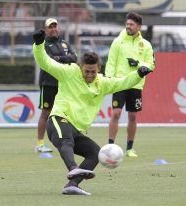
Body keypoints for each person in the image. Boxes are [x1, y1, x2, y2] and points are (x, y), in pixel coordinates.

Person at [32, 30, 152, 195]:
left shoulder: (102, 83)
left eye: (93, 71)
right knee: (66, 141)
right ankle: (73, 168)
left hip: (77, 130)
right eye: (86, 71)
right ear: (81, 67)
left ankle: (72, 185)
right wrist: (38, 46)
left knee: (95, 153)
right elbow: (45, 62)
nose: (89, 75)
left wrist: (138, 74)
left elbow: (123, 82)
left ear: (99, 69)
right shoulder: (69, 72)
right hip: (58, 121)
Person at [105, 12, 155, 157]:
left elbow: (151, 65)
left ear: (139, 27)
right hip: (119, 83)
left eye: (131, 24)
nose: (128, 26)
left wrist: (138, 63)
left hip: (136, 85)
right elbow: (111, 61)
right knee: (116, 113)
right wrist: (109, 79)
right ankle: (110, 146)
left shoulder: (146, 45)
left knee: (132, 116)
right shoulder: (118, 41)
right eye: (127, 24)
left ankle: (129, 148)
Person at [36, 18, 77, 153]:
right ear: (46, 30)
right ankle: (40, 144)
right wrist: (64, 58)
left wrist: (60, 58)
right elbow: (49, 60)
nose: (53, 29)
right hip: (49, 83)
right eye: (50, 27)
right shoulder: (44, 44)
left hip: (64, 84)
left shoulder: (64, 43)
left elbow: (74, 57)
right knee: (46, 113)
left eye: (55, 26)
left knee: (66, 113)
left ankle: (68, 140)